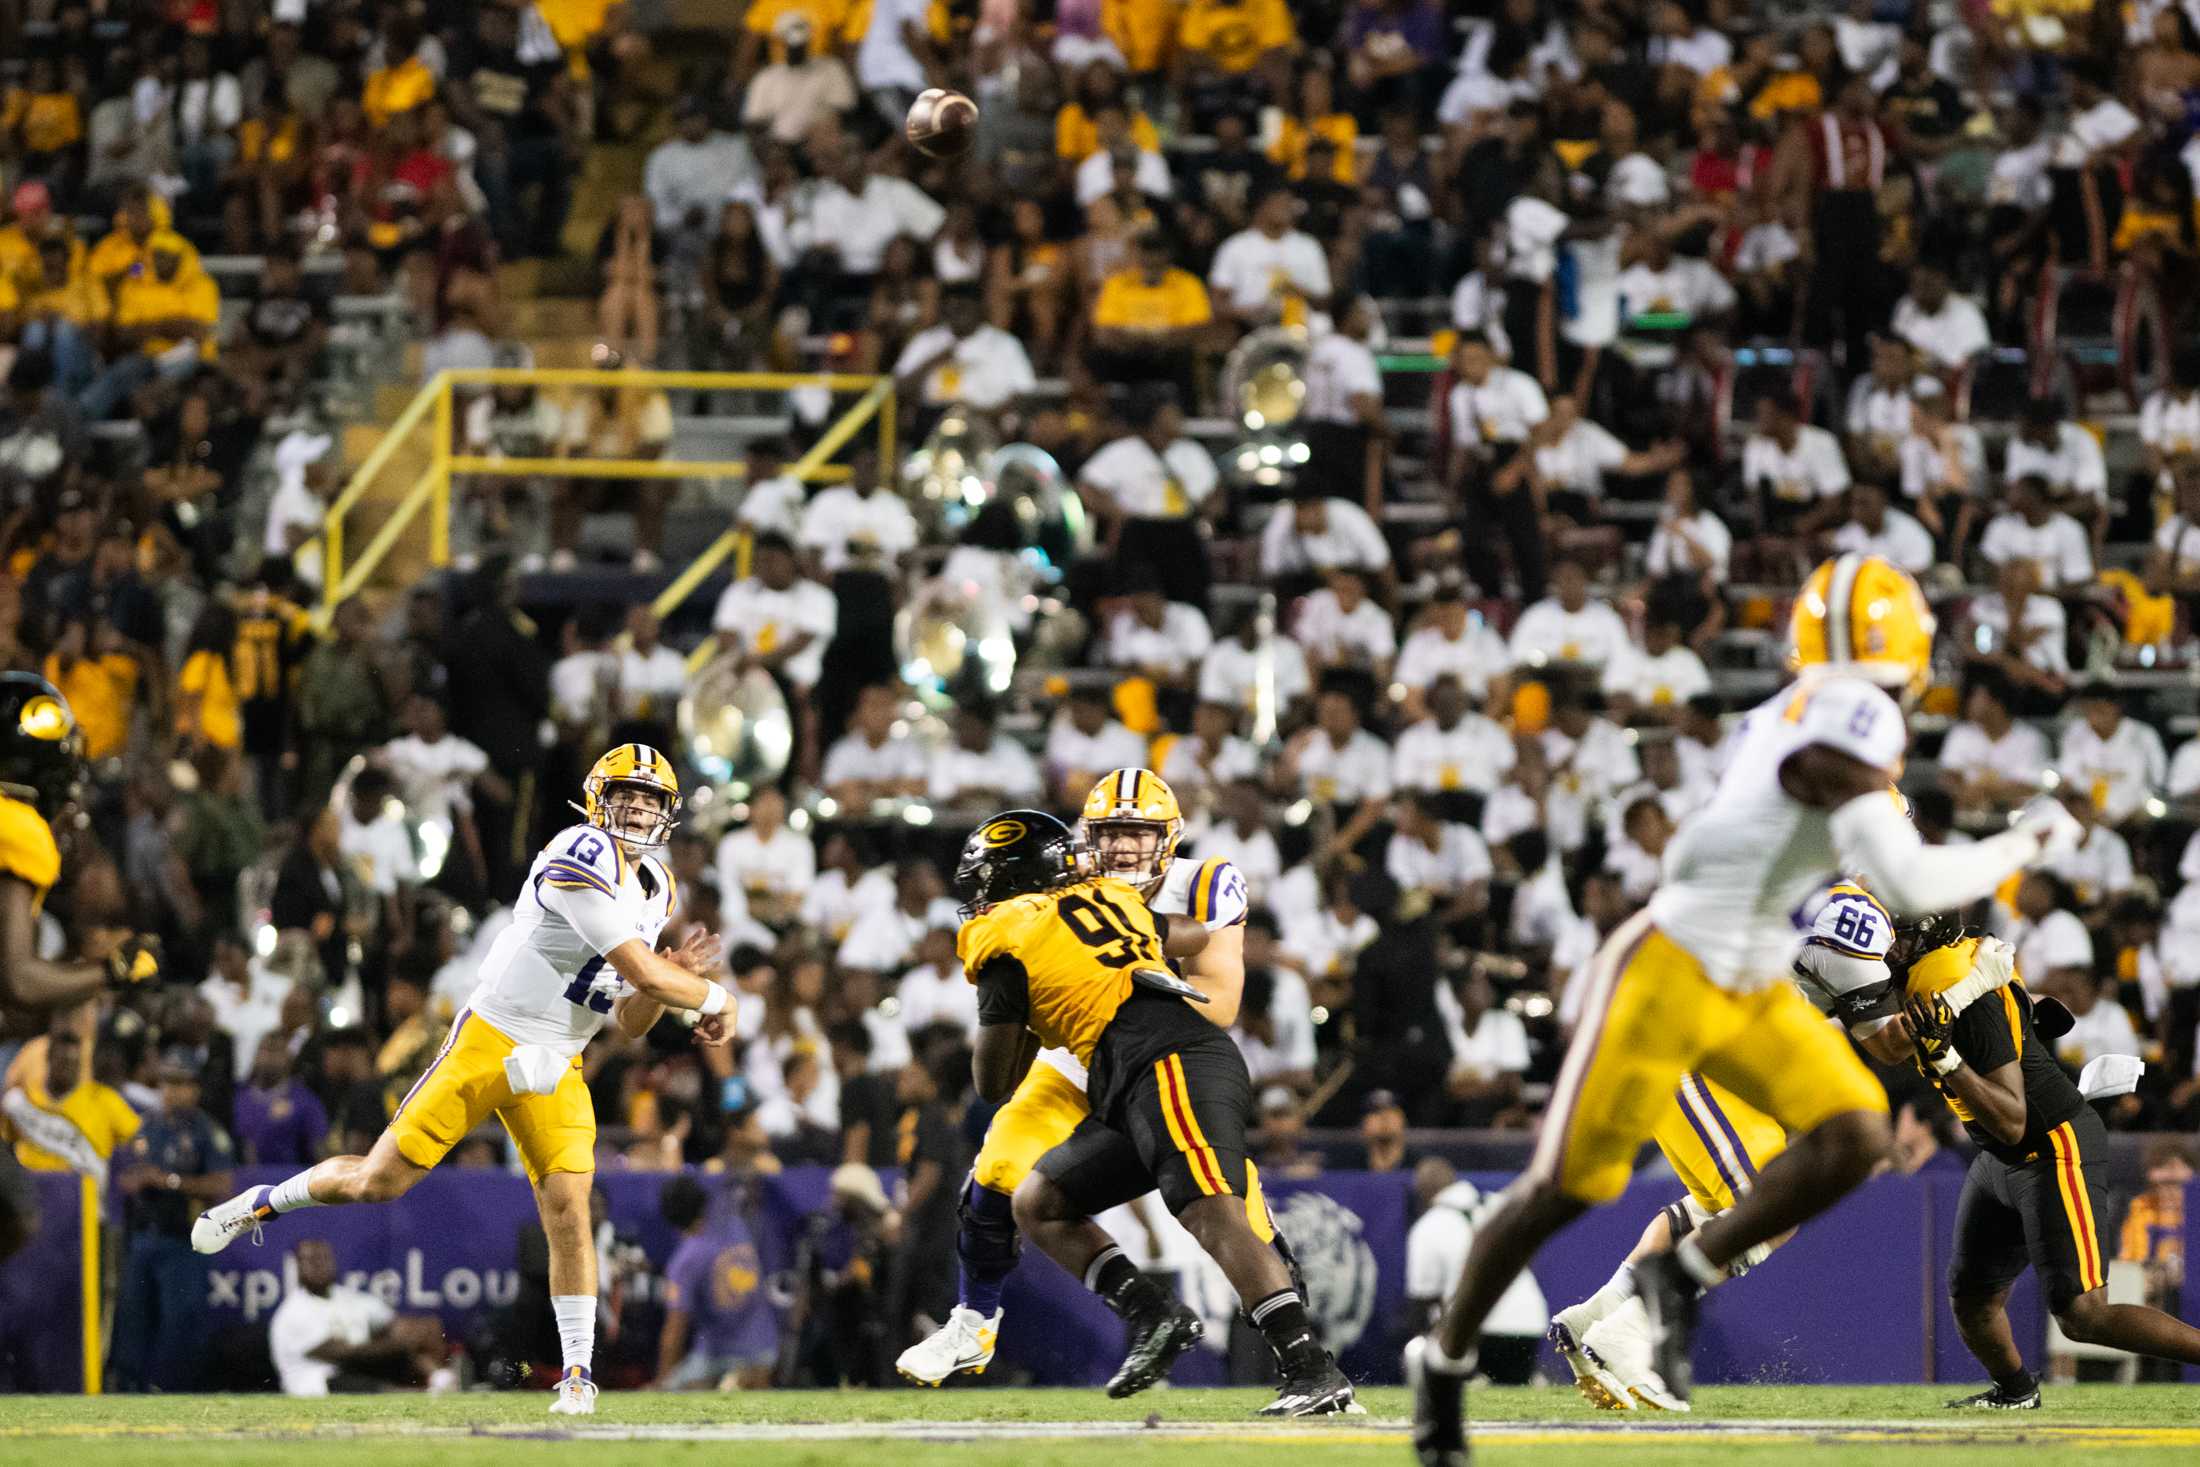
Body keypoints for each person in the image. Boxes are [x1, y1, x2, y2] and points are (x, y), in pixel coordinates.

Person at [1408, 552, 2083, 1463]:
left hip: (1748, 983)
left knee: (1854, 1133)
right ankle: (1444, 1365)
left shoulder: (1798, 719)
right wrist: (2029, 835)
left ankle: (1667, 1287)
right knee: (1562, 1190)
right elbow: (1906, 879)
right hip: (1673, 979)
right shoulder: (1856, 733)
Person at [191, 745, 738, 1417]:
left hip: (559, 1057)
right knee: (376, 1182)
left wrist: (669, 975)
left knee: (569, 1211)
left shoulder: (656, 881)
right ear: (597, 798)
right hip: (494, 1036)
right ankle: (262, 1203)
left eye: (652, 799)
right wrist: (712, 995)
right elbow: (651, 977)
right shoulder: (579, 852)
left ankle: (575, 1375)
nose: (639, 807)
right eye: (627, 793)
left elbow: (631, 1014)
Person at [949, 808, 1357, 1415]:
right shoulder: (1106, 901)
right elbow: (1189, 932)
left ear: (1010, 880)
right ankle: (1155, 1316)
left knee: (1211, 1212)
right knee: (1040, 1202)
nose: (977, 898)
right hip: (1144, 1071)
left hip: (1166, 1062)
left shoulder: (1005, 944)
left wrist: (1032, 1009)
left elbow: (991, 1082)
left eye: (983, 882)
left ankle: (1313, 1371)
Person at [896, 771, 1260, 1386]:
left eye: (1137, 834)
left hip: (1164, 1051)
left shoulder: (1203, 882)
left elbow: (1220, 1002)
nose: (1120, 849)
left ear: (1167, 839)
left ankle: (1295, 1352)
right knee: (994, 1173)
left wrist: (1129, 987)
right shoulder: (1068, 878)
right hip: (1073, 1055)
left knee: (1235, 1207)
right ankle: (972, 1323)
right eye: (1110, 833)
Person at [1549, 885, 1899, 1411]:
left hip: (1677, 1033)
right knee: (1775, 1206)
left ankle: (1599, 1314)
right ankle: (1630, 1333)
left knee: (1710, 1209)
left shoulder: (1804, 884)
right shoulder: (1856, 915)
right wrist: (1949, 1006)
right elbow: (1887, 1042)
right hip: (1690, 1039)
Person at [1886, 914, 2200, 1406]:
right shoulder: (1951, 979)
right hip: (2000, 1155)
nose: (1888, 949)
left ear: (1929, 938)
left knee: (2083, 1314)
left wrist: (1948, 1060)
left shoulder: (1970, 995)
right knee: (1973, 1300)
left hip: (2051, 1145)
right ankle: (2015, 1393)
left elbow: (2012, 1117)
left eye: (1900, 938)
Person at [111, 1055, 235, 1393]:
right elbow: (126, 1172)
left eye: (181, 1084)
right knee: (132, 1320)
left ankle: (171, 1392)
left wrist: (169, 1181)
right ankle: (126, 1391)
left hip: (184, 1239)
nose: (172, 1091)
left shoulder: (206, 1130)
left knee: (180, 1324)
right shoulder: (144, 1125)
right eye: (167, 1083)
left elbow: (222, 1184)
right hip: (142, 1237)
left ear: (194, 1090)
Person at [1405, 1162, 1547, 1385]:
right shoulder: (1498, 1205)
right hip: (1531, 1320)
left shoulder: (1429, 1225)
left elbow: (1424, 1298)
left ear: (1422, 1192)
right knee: (1512, 1392)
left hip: (1477, 1329)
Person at [268, 1237, 449, 1395]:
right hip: (317, 1383)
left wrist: (414, 1334)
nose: (320, 1265)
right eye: (312, 1260)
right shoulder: (293, 1312)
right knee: (349, 1378)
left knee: (416, 1338)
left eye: (324, 1258)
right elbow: (343, 1354)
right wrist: (399, 1344)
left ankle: (441, 1379)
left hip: (356, 1370)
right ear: (298, 1266)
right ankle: (421, 1395)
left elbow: (396, 1325)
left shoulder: (347, 1298)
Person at [654, 1175, 777, 1389]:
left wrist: (661, 1385)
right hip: (767, 1347)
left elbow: (673, 1334)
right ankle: (736, 1380)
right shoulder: (734, 1224)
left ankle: (730, 1380)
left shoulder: (687, 1259)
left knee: (673, 1388)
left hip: (721, 1356)